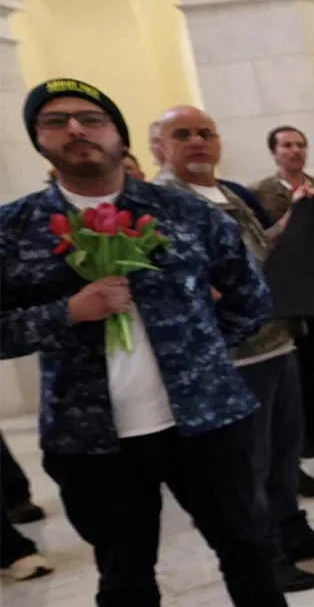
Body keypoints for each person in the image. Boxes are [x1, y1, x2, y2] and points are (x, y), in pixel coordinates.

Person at [0, 78, 287, 606]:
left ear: (120, 135)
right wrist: (67, 312)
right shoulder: (14, 229)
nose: (75, 130)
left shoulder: (187, 212)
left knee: (250, 551)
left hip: (208, 421)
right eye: (54, 121)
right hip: (91, 437)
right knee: (125, 576)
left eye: (91, 119)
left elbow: (253, 298)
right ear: (38, 139)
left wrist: (200, 351)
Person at [152, 105, 314, 591]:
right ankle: (266, 556)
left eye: (207, 132)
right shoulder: (162, 200)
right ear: (158, 146)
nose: (198, 142)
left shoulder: (228, 193)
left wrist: (293, 223)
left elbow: (259, 253)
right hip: (230, 357)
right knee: (250, 464)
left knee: (285, 453)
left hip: (275, 339)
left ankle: (292, 531)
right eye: (183, 134)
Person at [251, 126, 314, 460]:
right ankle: (310, 435)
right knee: (304, 367)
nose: (295, 151)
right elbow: (261, 242)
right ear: (274, 152)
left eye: (301, 145)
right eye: (287, 145)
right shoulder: (258, 193)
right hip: (291, 293)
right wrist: (297, 210)